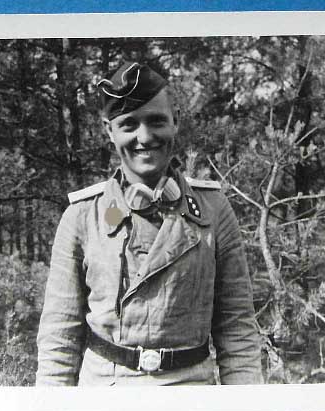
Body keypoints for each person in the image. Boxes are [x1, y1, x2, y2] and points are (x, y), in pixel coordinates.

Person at [36, 61, 262, 386]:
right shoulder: (83, 216)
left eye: (156, 121)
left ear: (175, 121)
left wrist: (247, 407)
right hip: (105, 395)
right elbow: (59, 338)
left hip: (191, 394)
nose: (144, 137)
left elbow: (237, 329)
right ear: (109, 131)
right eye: (129, 124)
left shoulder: (213, 209)